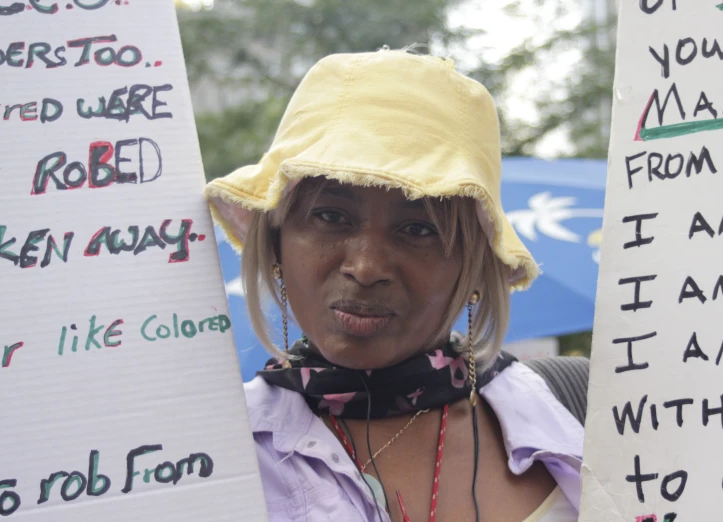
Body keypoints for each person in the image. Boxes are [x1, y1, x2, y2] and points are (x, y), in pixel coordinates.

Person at [205, 48, 583, 522]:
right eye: (330, 216)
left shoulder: (582, 408)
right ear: (278, 242)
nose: (366, 267)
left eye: (419, 229)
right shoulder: (202, 458)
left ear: (472, 263)